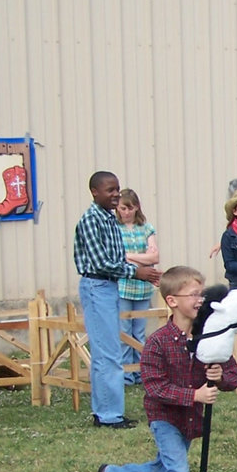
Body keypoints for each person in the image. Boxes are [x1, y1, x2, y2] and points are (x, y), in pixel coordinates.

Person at [86, 266, 237, 472]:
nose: (201, 299)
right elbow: (155, 387)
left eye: (201, 292)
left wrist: (220, 376)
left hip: (189, 422)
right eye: (194, 294)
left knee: (163, 471)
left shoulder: (209, 337)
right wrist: (193, 396)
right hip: (165, 418)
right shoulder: (158, 342)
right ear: (172, 300)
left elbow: (232, 376)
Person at [74, 171, 161, 428]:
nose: (115, 195)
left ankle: (108, 410)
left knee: (109, 349)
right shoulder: (91, 220)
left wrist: (144, 272)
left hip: (111, 286)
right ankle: (108, 415)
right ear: (94, 192)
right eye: (109, 190)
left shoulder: (109, 220)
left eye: (117, 189)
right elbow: (102, 262)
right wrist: (137, 272)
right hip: (97, 285)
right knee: (107, 352)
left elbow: (119, 257)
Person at [117, 188, 159, 384]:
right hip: (123, 285)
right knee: (124, 330)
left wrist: (130, 257)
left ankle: (141, 370)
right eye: (123, 208)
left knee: (139, 331)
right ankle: (126, 372)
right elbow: (116, 258)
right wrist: (142, 259)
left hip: (143, 287)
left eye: (130, 208)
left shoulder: (146, 228)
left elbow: (154, 257)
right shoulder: (115, 229)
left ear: (137, 208)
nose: (126, 212)